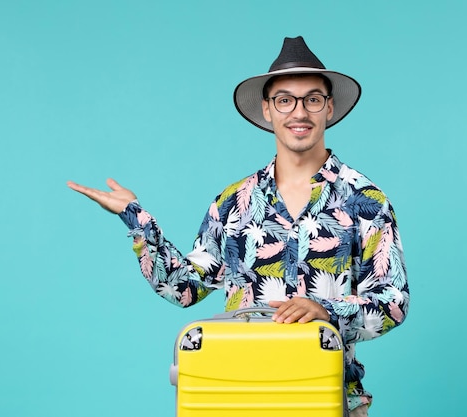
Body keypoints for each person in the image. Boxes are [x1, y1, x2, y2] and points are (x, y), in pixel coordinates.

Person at [68, 36, 408, 417]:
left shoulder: (366, 201)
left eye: (312, 99)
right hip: (236, 398)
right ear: (267, 109)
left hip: (327, 401)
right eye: (285, 99)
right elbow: (184, 288)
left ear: (328, 108)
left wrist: (326, 310)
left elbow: (393, 302)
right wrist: (135, 218)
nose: (300, 112)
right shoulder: (234, 202)